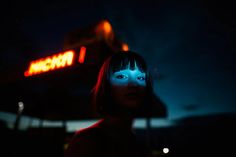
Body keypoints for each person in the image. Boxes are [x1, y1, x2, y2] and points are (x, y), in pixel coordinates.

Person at [64, 50, 163, 157]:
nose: (133, 84)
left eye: (140, 78)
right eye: (121, 76)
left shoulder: (134, 142)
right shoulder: (87, 140)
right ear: (106, 85)